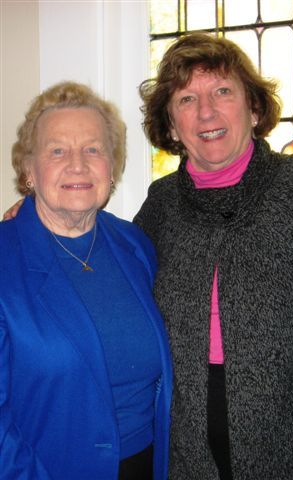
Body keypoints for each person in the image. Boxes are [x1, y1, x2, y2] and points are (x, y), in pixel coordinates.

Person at [133, 32, 293, 479]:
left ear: (255, 108)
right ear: (169, 125)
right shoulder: (159, 206)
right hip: (186, 454)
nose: (207, 112)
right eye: (187, 99)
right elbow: (109, 273)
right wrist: (40, 215)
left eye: (223, 91)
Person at [0, 81, 172, 480]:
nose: (77, 164)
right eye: (57, 150)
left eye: (93, 149)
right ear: (29, 169)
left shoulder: (134, 244)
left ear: (111, 167)